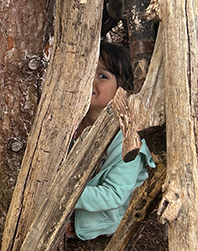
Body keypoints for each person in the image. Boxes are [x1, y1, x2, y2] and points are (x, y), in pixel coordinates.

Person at [66, 42, 156, 241]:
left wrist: (60, 195)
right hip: (67, 202)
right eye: (89, 70)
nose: (91, 79)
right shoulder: (69, 123)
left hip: (95, 218)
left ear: (124, 91)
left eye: (103, 76)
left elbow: (113, 195)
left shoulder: (129, 142)